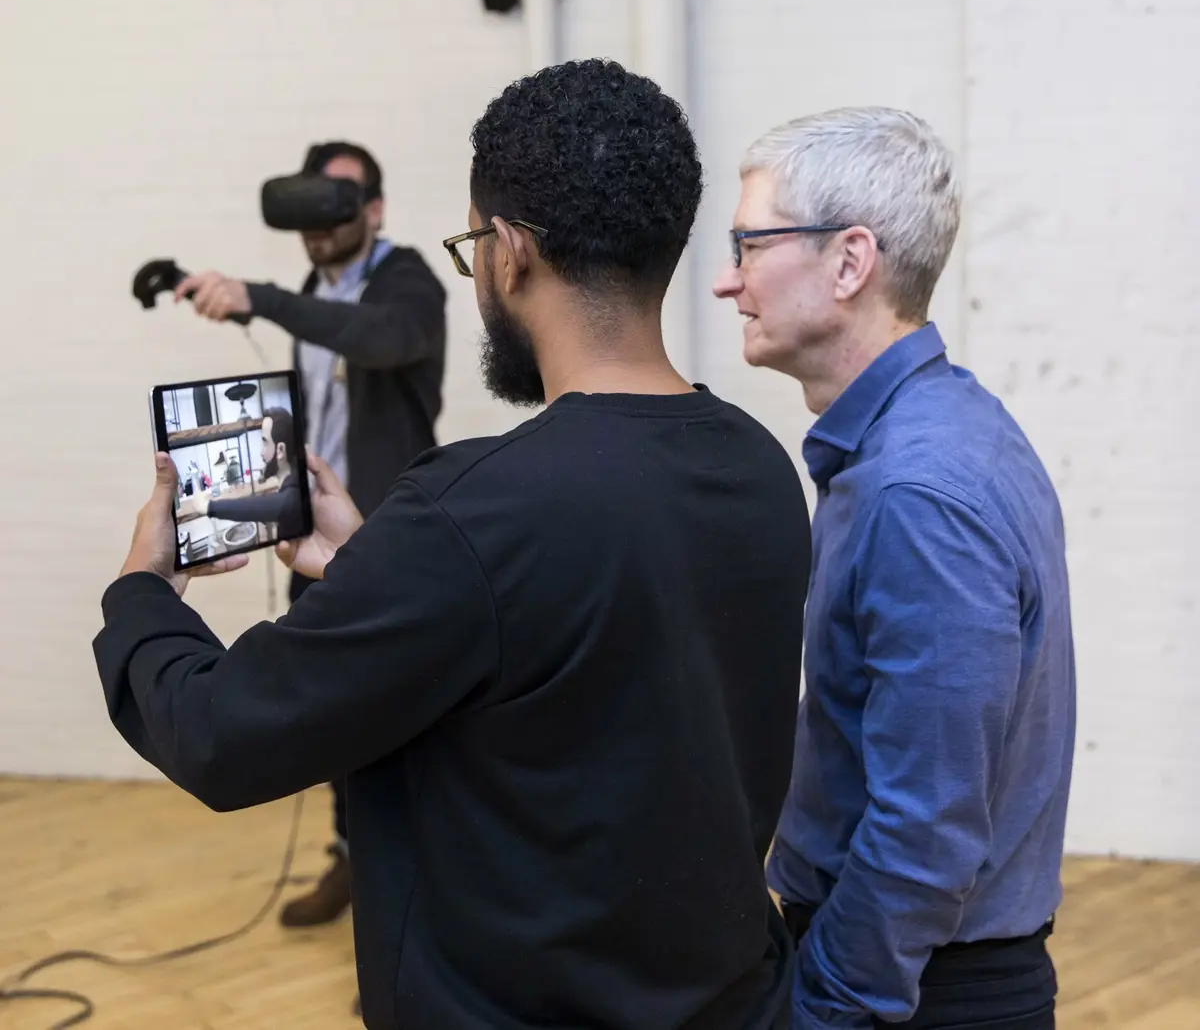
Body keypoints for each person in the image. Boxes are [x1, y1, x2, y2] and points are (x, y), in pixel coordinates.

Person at [94, 59, 812, 1030]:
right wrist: (366, 570)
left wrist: (143, 586)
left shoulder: (471, 514)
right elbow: (574, 684)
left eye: (471, 246)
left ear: (508, 250)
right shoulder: (760, 467)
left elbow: (222, 734)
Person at [713, 106, 1076, 1030]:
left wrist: (825, 1009)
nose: (728, 281)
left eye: (750, 244)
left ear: (849, 261)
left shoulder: (918, 491)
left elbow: (926, 827)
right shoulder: (939, 433)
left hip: (918, 993)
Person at [174, 141, 448, 935]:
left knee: (397, 726)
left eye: (338, 204)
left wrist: (260, 297)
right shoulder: (311, 289)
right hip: (313, 539)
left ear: (374, 209)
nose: (319, 224)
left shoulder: (407, 280)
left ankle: (410, 915)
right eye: (308, 206)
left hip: (386, 540)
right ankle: (352, 857)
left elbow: (384, 339)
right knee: (333, 719)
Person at [190, 407, 306, 540]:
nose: (261, 452)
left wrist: (208, 506)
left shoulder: (293, 497)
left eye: (265, 442)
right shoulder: (295, 483)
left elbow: (258, 506)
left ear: (280, 450)